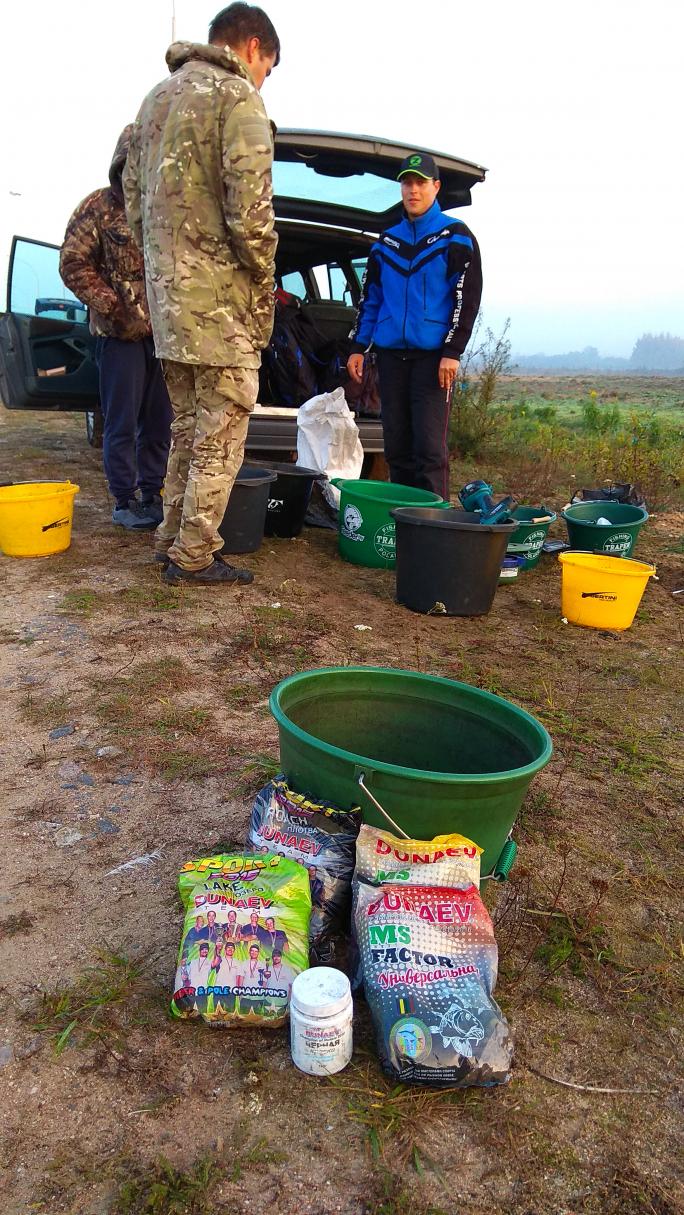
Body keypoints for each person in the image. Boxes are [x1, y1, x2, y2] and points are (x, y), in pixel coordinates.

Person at [123, 3, 280, 586]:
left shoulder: (154, 101)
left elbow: (133, 200)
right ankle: (193, 556)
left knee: (185, 428)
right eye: (268, 66)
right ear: (253, 46)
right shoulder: (238, 99)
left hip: (168, 304)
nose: (263, 78)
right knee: (221, 432)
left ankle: (169, 538)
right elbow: (251, 210)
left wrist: (159, 272)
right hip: (220, 307)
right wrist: (264, 277)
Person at [347, 152, 482, 499]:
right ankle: (405, 518)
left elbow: (466, 299)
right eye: (407, 182)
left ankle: (433, 520)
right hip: (391, 357)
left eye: (420, 182)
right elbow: (370, 300)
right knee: (397, 445)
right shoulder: (385, 243)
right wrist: (358, 347)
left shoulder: (456, 236)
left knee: (429, 447)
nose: (413, 190)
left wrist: (452, 351)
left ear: (436, 187)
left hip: (433, 360)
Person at [59, 126, 172, 530]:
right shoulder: (97, 208)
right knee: (120, 423)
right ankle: (124, 500)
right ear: (122, 162)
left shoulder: (165, 208)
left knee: (159, 424)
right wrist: (112, 305)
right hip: (118, 338)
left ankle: (151, 494)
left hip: (164, 338)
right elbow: (73, 264)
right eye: (133, 162)